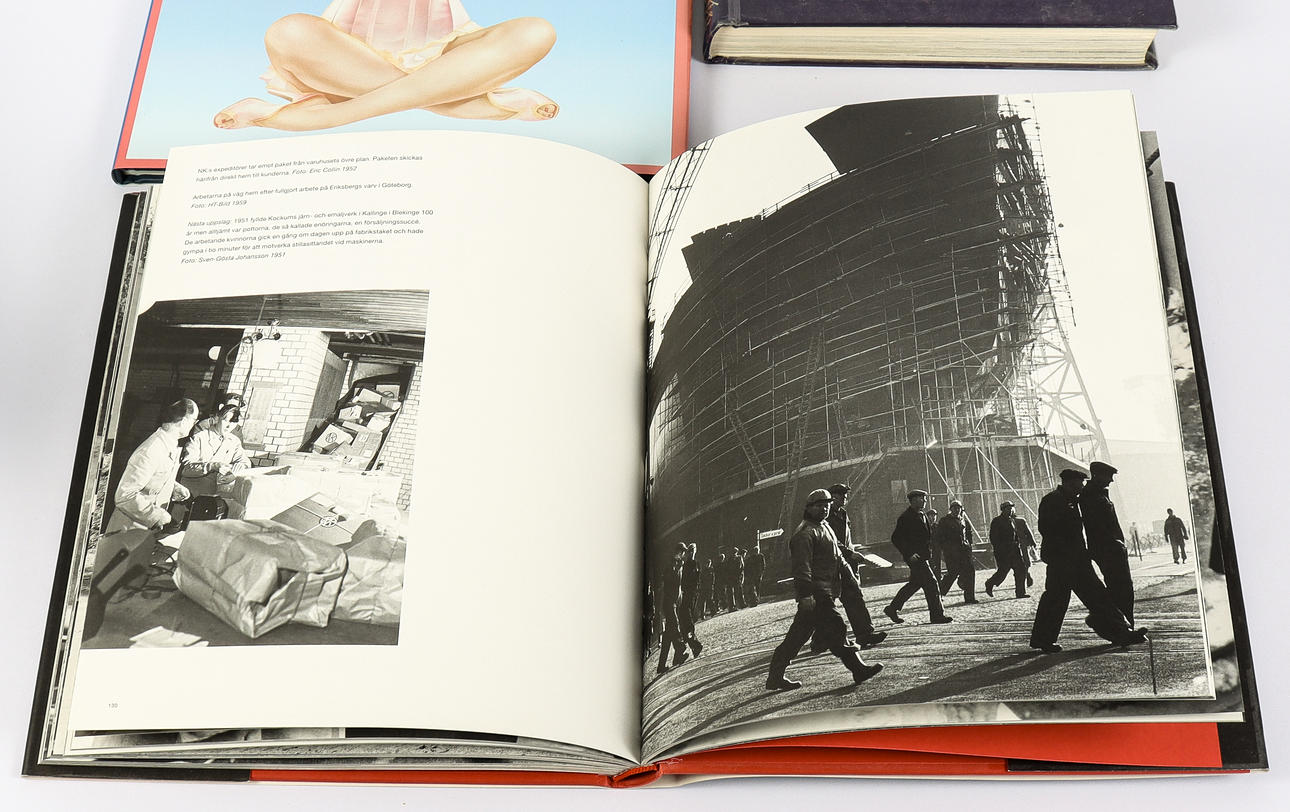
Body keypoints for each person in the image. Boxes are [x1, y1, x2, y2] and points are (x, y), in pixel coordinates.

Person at [213, 1, 559, 131]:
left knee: (537, 31)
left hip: (445, 48)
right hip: (344, 55)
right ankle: (463, 103)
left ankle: (325, 117)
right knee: (287, 32)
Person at [766, 490, 883, 690]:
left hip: (825, 590)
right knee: (837, 626)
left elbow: (838, 557)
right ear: (809, 508)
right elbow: (801, 568)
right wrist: (806, 595)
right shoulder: (804, 534)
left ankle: (775, 677)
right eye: (819, 505)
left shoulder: (825, 527)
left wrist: (850, 578)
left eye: (827, 504)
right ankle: (858, 669)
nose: (825, 508)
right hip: (816, 593)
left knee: (797, 637)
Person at [1028, 469, 1147, 653]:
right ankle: (1043, 640)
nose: (1082, 487)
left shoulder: (1070, 500)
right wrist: (1066, 549)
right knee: (1057, 599)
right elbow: (1047, 529)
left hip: (1076, 560)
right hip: (1063, 560)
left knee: (1097, 598)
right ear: (1070, 482)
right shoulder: (1053, 500)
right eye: (1080, 483)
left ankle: (1122, 632)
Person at [104, 399, 199, 534]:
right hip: (128, 530)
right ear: (183, 421)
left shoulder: (168, 443)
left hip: (143, 530)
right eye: (194, 420)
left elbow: (154, 475)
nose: (194, 425)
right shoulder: (152, 449)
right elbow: (124, 496)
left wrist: (173, 487)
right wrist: (158, 517)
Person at [815, 483, 888, 650]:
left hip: (844, 563)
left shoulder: (843, 514)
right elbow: (831, 541)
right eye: (842, 495)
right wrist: (849, 553)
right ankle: (818, 640)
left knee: (854, 596)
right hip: (830, 565)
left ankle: (864, 634)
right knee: (826, 604)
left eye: (845, 495)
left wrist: (852, 554)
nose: (845, 498)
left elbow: (846, 540)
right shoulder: (825, 517)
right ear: (833, 497)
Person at [1081, 461, 1137, 628]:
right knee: (1122, 587)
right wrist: (1115, 543)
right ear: (1097, 475)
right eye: (1109, 476)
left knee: (1120, 587)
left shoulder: (1096, 493)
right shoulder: (1092, 496)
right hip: (1108, 548)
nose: (1111, 480)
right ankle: (1124, 627)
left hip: (1110, 547)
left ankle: (1123, 625)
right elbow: (1099, 525)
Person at [883, 490, 952, 625]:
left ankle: (892, 608)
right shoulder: (906, 517)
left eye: (925, 498)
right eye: (922, 498)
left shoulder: (922, 515)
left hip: (923, 556)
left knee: (914, 584)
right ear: (914, 500)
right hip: (916, 558)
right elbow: (896, 538)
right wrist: (909, 553)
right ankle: (937, 616)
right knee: (932, 584)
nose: (925, 501)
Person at [180, 401, 251, 495]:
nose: (229, 426)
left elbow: (245, 462)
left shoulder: (234, 441)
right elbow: (185, 469)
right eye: (226, 420)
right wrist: (213, 466)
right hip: (191, 493)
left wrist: (236, 472)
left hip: (216, 494)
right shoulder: (200, 437)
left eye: (233, 422)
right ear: (218, 417)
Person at [657, 542, 701, 674]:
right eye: (682, 552)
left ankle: (662, 665)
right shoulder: (671, 565)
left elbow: (679, 585)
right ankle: (680, 649)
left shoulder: (679, 565)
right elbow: (667, 585)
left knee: (668, 635)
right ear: (678, 552)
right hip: (669, 602)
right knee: (675, 625)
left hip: (675, 602)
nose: (683, 554)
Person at [936, 500, 978, 603]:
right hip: (952, 553)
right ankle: (938, 594)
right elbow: (940, 537)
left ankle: (970, 597)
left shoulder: (964, 521)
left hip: (965, 551)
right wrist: (946, 549)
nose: (957, 510)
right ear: (951, 509)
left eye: (958, 508)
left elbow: (969, 534)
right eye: (954, 508)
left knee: (970, 572)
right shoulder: (944, 521)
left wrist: (969, 545)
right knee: (952, 573)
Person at [984, 501, 1029, 599]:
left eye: (1011, 508)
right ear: (1003, 510)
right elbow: (993, 537)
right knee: (1003, 572)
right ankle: (990, 583)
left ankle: (1020, 592)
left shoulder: (1012, 520)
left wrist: (1017, 543)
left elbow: (1015, 535)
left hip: (1014, 551)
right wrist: (1000, 549)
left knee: (1021, 570)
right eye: (1008, 508)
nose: (1010, 510)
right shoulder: (997, 521)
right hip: (1003, 552)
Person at [745, 542, 766, 606]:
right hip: (754, 574)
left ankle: (758, 597)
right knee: (755, 586)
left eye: (757, 550)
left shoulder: (761, 556)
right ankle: (756, 598)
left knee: (758, 586)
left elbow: (763, 565)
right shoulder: (752, 557)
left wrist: (761, 572)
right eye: (756, 550)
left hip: (758, 573)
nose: (756, 551)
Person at [925, 507, 942, 579]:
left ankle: (939, 579)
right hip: (928, 549)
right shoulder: (925, 526)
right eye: (931, 515)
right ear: (928, 516)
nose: (933, 517)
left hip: (937, 549)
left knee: (937, 565)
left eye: (934, 515)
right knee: (930, 566)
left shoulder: (937, 526)